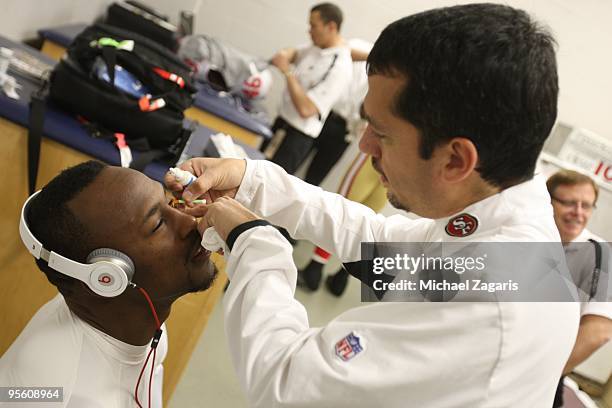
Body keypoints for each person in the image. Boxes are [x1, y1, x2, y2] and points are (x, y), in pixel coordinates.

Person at [169, 4, 580, 406]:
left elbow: (286, 381)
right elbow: (381, 243)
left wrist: (253, 238)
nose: (364, 146)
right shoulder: (502, 222)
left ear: (455, 159)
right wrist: (253, 178)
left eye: (381, 133)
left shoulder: (492, 302)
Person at [0, 161, 217, 407]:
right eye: (157, 224)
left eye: (168, 204)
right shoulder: (61, 395)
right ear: (107, 277)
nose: (190, 221)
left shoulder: (140, 321)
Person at [546, 170, 612, 408]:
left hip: (544, 373)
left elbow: (598, 332)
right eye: (570, 203)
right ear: (547, 202)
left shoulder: (600, 255)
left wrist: (543, 376)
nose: (578, 213)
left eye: (586, 206)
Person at [264, 2, 352, 174]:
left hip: (296, 138)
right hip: (281, 124)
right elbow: (293, 52)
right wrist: (285, 55)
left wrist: (288, 72)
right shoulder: (316, 47)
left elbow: (307, 109)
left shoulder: (340, 66)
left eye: (313, 26)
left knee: (266, 186)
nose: (309, 30)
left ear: (331, 27)